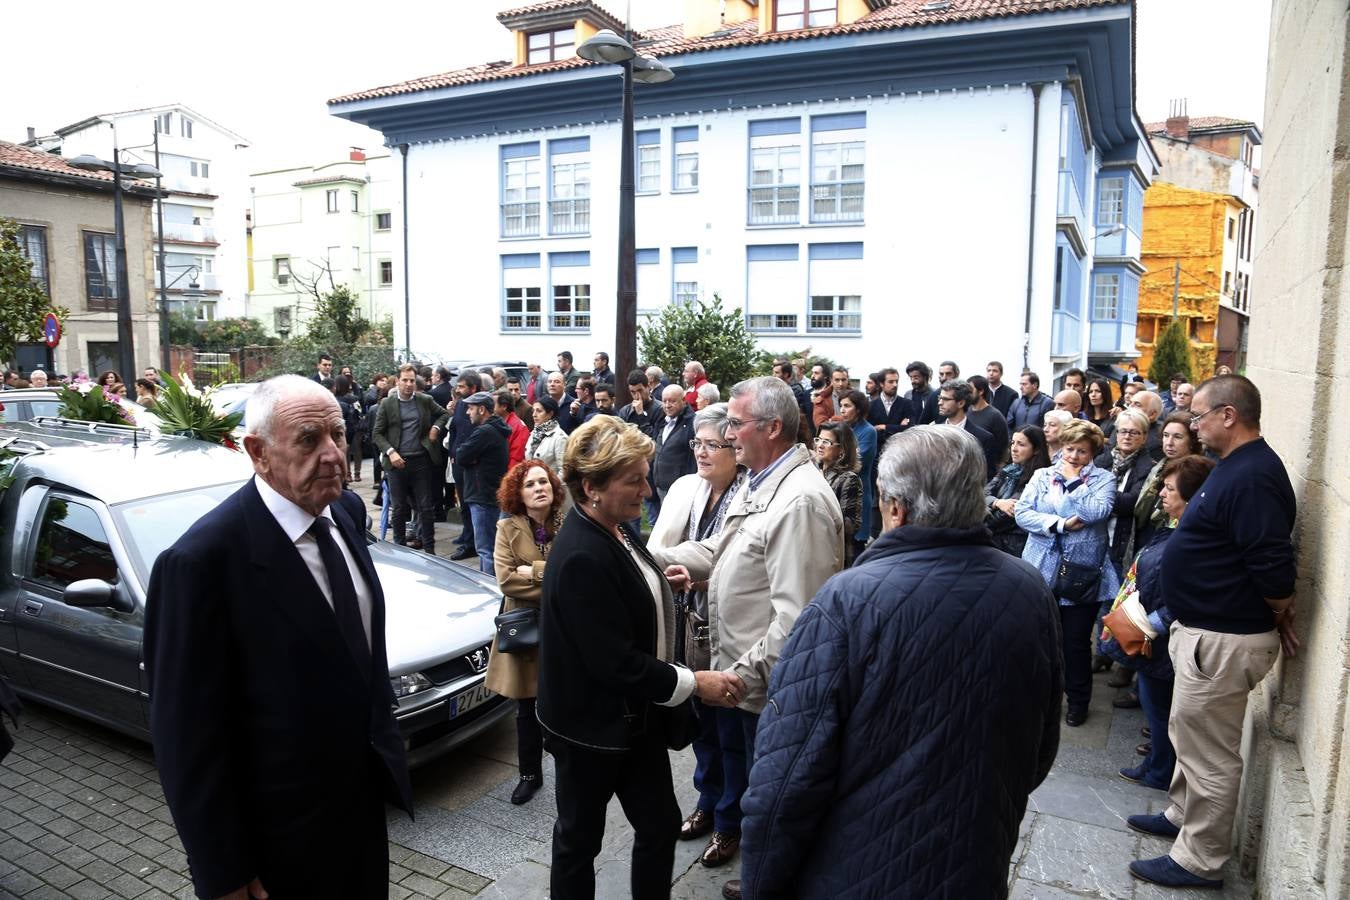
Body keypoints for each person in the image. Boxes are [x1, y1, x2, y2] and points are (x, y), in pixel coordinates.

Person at [739, 425, 1063, 899]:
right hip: (977, 859)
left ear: (895, 507)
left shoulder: (847, 600)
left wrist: (761, 884)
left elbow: (785, 778)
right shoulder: (1029, 587)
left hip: (858, 870)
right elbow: (1040, 746)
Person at [144, 376, 411, 898]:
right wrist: (223, 869)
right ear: (258, 452)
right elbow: (186, 737)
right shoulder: (199, 564)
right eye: (309, 439)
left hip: (361, 814)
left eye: (337, 433)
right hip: (277, 846)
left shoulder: (344, 513)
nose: (334, 454)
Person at [654, 376, 845, 900]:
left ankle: (765, 882)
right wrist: (646, 559)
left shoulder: (800, 500)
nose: (727, 434)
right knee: (745, 782)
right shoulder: (764, 480)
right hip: (742, 679)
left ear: (773, 426)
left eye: (735, 424)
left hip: (764, 689)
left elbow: (798, 620)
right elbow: (716, 550)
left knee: (769, 796)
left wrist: (732, 678)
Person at [538, 416, 742, 900]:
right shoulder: (582, 553)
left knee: (659, 825)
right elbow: (615, 663)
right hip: (591, 731)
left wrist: (658, 587)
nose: (647, 489)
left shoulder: (612, 527)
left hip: (634, 722)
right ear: (591, 487)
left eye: (646, 476)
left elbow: (624, 590)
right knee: (578, 841)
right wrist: (698, 683)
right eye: (634, 480)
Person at [1127, 375, 1297, 891]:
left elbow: (1272, 565)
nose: (1193, 425)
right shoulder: (1235, 469)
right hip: (1204, 633)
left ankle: (1199, 859)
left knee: (1210, 756)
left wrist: (1280, 608)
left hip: (1222, 639)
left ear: (1229, 415)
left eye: (1199, 416)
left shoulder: (1254, 476)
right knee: (1188, 736)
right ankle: (1182, 815)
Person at [649, 404, 750, 870]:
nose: (702, 452)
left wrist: (703, 579)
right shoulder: (692, 491)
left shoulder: (749, 495)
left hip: (730, 630)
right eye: (697, 443)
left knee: (731, 730)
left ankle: (731, 821)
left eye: (713, 444)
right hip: (692, 627)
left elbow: (742, 568)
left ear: (736, 449)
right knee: (701, 728)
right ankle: (707, 803)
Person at [1111, 455, 1216, 792]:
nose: (1162, 495)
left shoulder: (1198, 538)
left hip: (1161, 635)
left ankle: (1160, 772)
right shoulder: (1174, 526)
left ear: (1191, 495)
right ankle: (1155, 765)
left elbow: (1186, 595)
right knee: (1155, 708)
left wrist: (1150, 625)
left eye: (1170, 489)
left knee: (1162, 710)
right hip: (1151, 633)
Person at [1016, 419, 1117, 727]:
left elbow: (1096, 512)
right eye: (1069, 449)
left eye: (1082, 452)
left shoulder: (1103, 480)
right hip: (1041, 568)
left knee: (1074, 643)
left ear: (1093, 454)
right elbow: (1022, 513)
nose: (1073, 457)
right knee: (1040, 640)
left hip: (1080, 574)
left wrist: (1075, 483)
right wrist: (1058, 524)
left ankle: (1078, 701)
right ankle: (1042, 700)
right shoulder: (1042, 474)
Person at [486, 459, 566, 806]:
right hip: (523, 629)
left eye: (544, 482)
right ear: (519, 492)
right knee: (526, 708)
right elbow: (505, 580)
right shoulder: (507, 528)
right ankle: (529, 775)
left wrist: (530, 570)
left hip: (562, 627)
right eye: (531, 484)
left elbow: (574, 574)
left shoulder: (568, 523)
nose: (539, 488)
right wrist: (551, 577)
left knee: (562, 701)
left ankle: (568, 769)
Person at [373, 365, 451, 555]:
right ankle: (399, 548)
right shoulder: (388, 403)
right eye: (405, 380)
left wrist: (436, 429)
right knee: (399, 508)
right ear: (398, 381)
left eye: (412, 380)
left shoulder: (425, 400)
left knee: (425, 508)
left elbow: (444, 414)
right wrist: (391, 452)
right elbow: (377, 433)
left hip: (420, 460)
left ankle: (430, 549)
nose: (409, 384)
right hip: (396, 463)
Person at [1133, 411, 1202, 554]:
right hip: (1144, 540)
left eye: (1177, 437)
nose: (1169, 442)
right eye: (1165, 435)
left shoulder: (1198, 474)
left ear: (1192, 441)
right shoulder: (1157, 468)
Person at [1098, 408, 1155, 578]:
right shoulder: (1102, 461)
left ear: (1144, 437)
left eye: (1134, 432)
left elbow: (1129, 503)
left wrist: (1098, 493)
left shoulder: (1149, 468)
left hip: (1121, 545)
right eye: (1123, 431)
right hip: (1095, 540)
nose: (1127, 436)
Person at [457, 392, 511, 573]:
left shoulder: (485, 432)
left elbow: (461, 455)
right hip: (487, 495)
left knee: (486, 550)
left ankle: (490, 591)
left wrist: (469, 458)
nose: (467, 413)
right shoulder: (493, 429)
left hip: (483, 497)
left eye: (471, 408)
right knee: (489, 549)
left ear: (482, 409)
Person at [985, 425, 1051, 557]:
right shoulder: (1009, 470)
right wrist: (996, 502)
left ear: (1036, 449)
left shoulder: (1039, 478)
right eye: (1013, 443)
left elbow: (1009, 513)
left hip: (1012, 545)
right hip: (994, 538)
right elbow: (982, 494)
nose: (1014, 449)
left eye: (1021, 444)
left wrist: (976, 522)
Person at [813, 421, 863, 567]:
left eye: (827, 442)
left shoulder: (848, 479)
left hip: (834, 554)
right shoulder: (814, 472)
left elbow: (851, 525)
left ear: (842, 449)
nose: (820, 445)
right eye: (818, 440)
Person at [836, 389, 876, 559]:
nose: (842, 410)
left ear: (858, 409)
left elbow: (856, 462)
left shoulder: (868, 431)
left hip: (858, 494)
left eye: (847, 406)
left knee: (856, 549)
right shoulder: (841, 429)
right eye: (841, 406)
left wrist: (836, 455)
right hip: (839, 492)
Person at [447, 372, 483, 559]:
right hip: (458, 462)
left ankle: (473, 543)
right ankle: (467, 534)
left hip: (473, 465)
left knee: (472, 503)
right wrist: (453, 453)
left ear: (473, 388)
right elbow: (455, 429)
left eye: (461, 386)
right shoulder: (460, 405)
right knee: (463, 502)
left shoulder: (480, 408)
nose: (457, 390)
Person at [936, 380, 998, 479]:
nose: (940, 403)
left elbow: (988, 475)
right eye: (940, 398)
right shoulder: (934, 434)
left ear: (961, 403)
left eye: (946, 399)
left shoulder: (983, 438)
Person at [651, 384, 697, 519]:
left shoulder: (692, 424)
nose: (667, 405)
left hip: (680, 490)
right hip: (661, 486)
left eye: (672, 401)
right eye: (664, 401)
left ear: (683, 401)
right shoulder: (662, 420)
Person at [966, 374, 1010, 467]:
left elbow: (1004, 445)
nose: (967, 394)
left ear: (981, 391)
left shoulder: (995, 416)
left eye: (970, 390)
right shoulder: (966, 412)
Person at [867, 366, 909, 448]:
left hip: (900, 451)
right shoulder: (870, 406)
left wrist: (884, 427)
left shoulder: (907, 404)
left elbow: (909, 429)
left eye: (896, 381)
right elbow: (869, 431)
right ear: (881, 384)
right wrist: (898, 427)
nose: (895, 385)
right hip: (876, 452)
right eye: (891, 382)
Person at [527, 397, 569, 478]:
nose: (534, 415)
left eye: (539, 411)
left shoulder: (560, 437)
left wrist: (553, 486)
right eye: (533, 411)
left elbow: (564, 471)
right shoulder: (534, 433)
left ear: (550, 414)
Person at [334, 374, 364, 483]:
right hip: (355, 427)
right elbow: (360, 411)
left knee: (344, 451)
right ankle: (357, 473)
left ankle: (347, 474)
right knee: (357, 451)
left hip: (341, 428)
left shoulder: (333, 399)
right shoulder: (353, 399)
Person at [619, 370, 662, 438]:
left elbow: (654, 438)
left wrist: (641, 415)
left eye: (640, 390)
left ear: (648, 387)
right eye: (633, 392)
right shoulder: (625, 411)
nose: (637, 396)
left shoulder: (660, 409)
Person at [496, 390, 529, 468]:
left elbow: (516, 459)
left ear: (504, 406)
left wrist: (507, 478)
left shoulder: (519, 427)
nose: (490, 406)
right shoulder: (499, 422)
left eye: (494, 404)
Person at [903, 361, 938, 425]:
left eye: (916, 377)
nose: (912, 381)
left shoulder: (935, 395)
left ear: (925, 377)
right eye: (911, 377)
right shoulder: (908, 395)